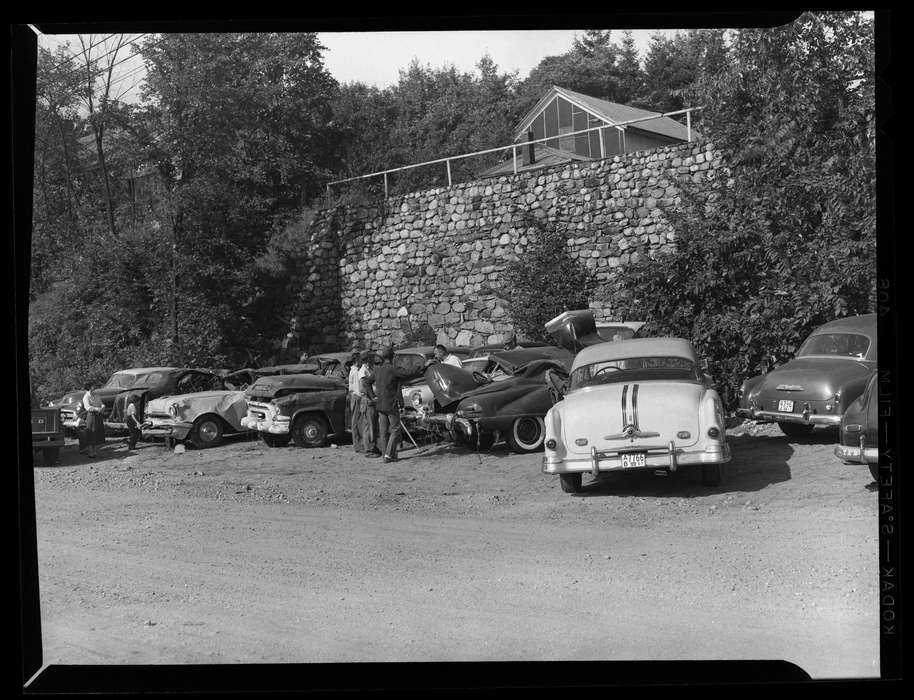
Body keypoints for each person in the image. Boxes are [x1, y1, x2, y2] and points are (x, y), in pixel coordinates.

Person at [372, 346, 422, 463]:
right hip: (390, 404)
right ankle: (389, 454)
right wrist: (421, 366)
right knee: (395, 429)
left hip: (380, 404)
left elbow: (366, 381)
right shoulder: (392, 369)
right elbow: (408, 373)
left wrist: (372, 396)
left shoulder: (378, 370)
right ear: (393, 356)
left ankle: (387, 455)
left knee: (383, 431)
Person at [359, 351, 382, 457]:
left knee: (372, 424)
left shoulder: (367, 370)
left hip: (370, 400)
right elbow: (364, 387)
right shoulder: (363, 371)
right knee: (369, 426)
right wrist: (372, 396)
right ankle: (369, 449)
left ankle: (373, 446)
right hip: (368, 400)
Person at [81, 386, 106, 458]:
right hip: (92, 416)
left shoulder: (96, 395)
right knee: (91, 433)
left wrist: (103, 406)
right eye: (92, 386)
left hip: (98, 416)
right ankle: (90, 453)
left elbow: (101, 403)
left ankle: (95, 452)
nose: (94, 387)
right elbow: (88, 407)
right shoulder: (86, 397)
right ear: (89, 387)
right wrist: (97, 409)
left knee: (97, 433)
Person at [347, 351, 364, 451]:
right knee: (356, 422)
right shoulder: (354, 371)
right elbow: (355, 388)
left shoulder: (356, 370)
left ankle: (358, 443)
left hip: (356, 396)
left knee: (358, 421)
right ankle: (357, 444)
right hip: (356, 397)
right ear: (356, 360)